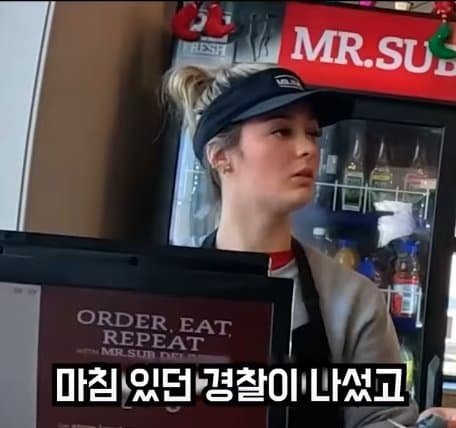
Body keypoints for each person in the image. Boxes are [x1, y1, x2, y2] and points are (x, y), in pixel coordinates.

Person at [161, 64, 419, 427]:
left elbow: (387, 418)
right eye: (281, 131)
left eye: (312, 133)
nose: (307, 148)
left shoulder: (352, 300)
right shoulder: (166, 291)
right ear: (220, 155)